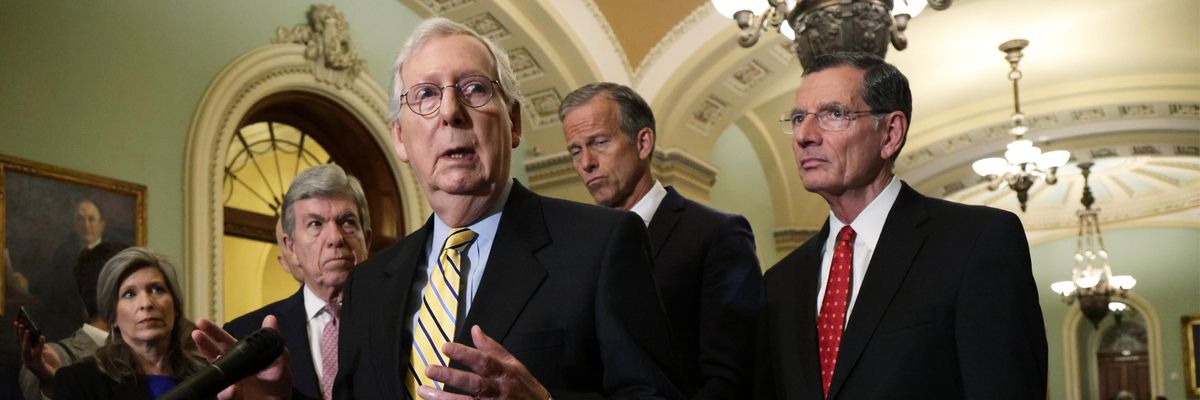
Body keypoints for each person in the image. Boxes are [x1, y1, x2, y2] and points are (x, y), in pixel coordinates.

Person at [325, 17, 681, 399]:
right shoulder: (366, 285)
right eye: (426, 94)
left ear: (513, 121)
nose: (450, 111)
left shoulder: (603, 244)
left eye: (474, 88)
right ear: (400, 138)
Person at [754, 53, 1048, 399]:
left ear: (891, 133)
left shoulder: (977, 243)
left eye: (833, 114)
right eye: (799, 117)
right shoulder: (780, 282)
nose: (804, 135)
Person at [559, 82, 762, 398]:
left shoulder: (717, 234)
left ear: (643, 143)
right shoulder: (578, 246)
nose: (586, 163)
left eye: (599, 143)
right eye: (575, 150)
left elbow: (729, 375)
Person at [225, 164, 371, 400]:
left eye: (347, 222)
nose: (335, 237)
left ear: (368, 239)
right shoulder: (244, 335)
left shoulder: (407, 320)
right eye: (316, 224)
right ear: (291, 247)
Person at [52, 247, 208, 399]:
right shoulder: (79, 382)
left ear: (175, 306)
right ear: (113, 317)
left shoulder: (207, 375)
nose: (146, 303)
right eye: (129, 294)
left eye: (157, 290)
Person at [17, 241, 128, 400]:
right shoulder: (52, 357)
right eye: (131, 292)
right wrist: (51, 384)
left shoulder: (147, 356)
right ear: (110, 294)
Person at [37, 200, 108, 340]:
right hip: (67, 326)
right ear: (74, 224)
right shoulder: (63, 253)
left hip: (103, 328)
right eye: (80, 219)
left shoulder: (112, 254)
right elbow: (55, 292)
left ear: (102, 224)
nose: (86, 225)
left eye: (91, 219)